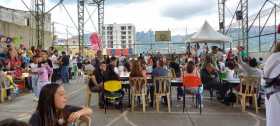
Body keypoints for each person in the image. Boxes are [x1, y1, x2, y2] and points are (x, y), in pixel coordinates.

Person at [263, 42, 280, 126]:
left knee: (273, 118)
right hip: (275, 90)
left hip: (273, 91)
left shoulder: (273, 57)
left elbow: (265, 75)